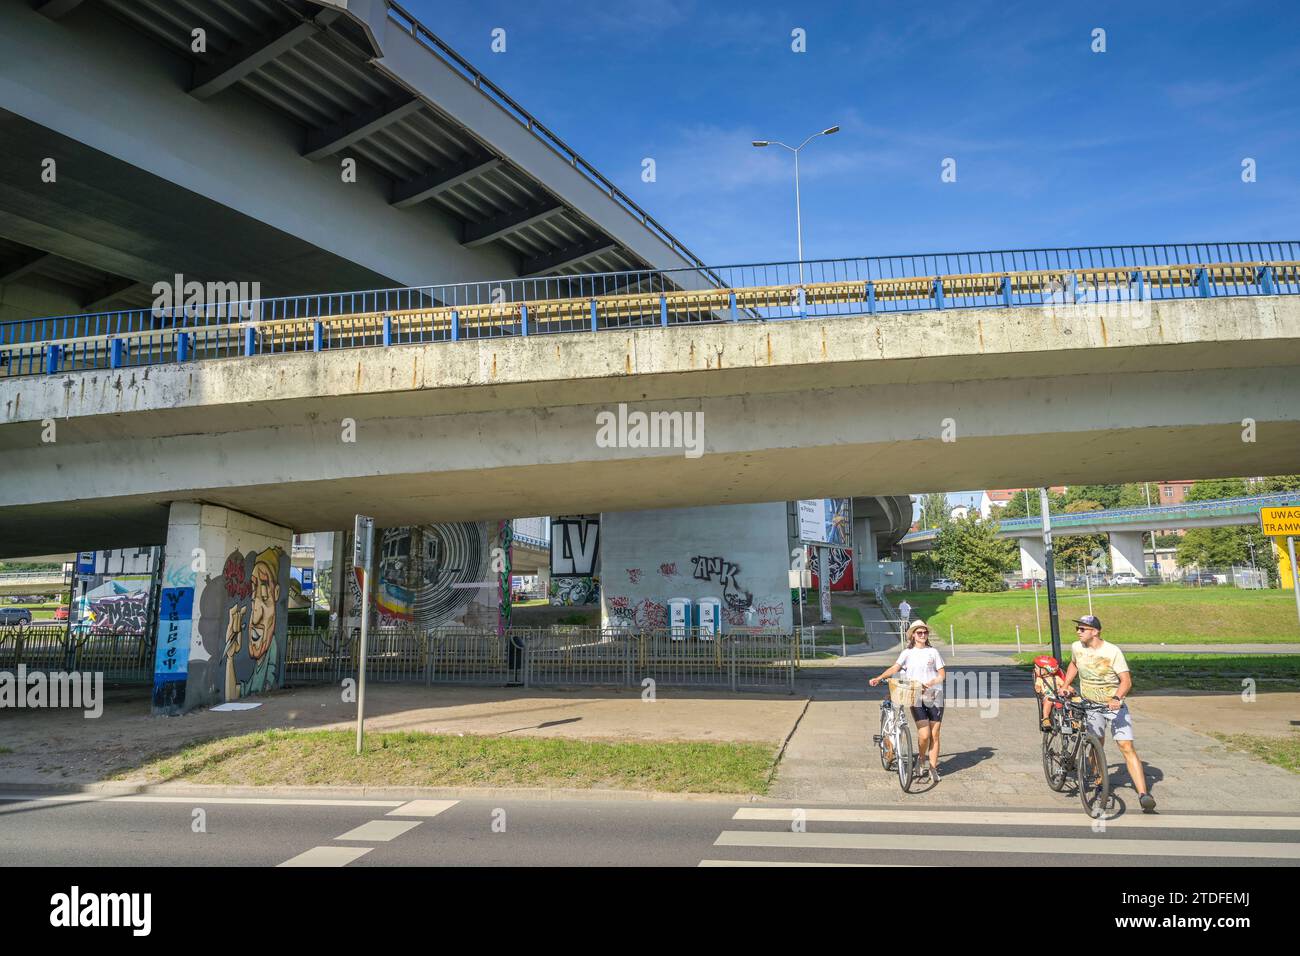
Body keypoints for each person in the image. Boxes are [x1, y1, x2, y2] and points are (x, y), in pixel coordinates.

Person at [1057, 615, 1157, 813]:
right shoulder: (1077, 647)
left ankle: (1144, 794)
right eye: (1078, 628)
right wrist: (1066, 685)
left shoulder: (1112, 651)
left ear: (1095, 631)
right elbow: (1074, 664)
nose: (1078, 631)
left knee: (1126, 746)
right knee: (1096, 744)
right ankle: (1099, 781)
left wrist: (1117, 698)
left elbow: (1126, 681)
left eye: (1082, 629)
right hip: (1091, 704)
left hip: (1114, 705)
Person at [869, 619, 946, 782]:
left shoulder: (933, 652)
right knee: (924, 735)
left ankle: (932, 767)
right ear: (913, 636)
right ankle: (921, 759)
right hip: (915, 696)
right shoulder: (907, 653)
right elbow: (894, 668)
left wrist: (932, 682)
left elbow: (942, 674)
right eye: (919, 633)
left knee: (935, 734)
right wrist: (880, 677)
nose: (923, 635)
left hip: (935, 696)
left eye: (925, 632)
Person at [1033, 654, 1066, 731]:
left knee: (1069, 702)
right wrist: (1038, 688)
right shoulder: (1040, 679)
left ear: (1045, 670)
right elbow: (1037, 686)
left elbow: (1064, 685)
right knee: (1048, 701)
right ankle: (1046, 719)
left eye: (1037, 668)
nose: (1035, 670)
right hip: (1048, 696)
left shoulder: (1057, 678)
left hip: (1058, 696)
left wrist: (1070, 689)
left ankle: (1072, 720)